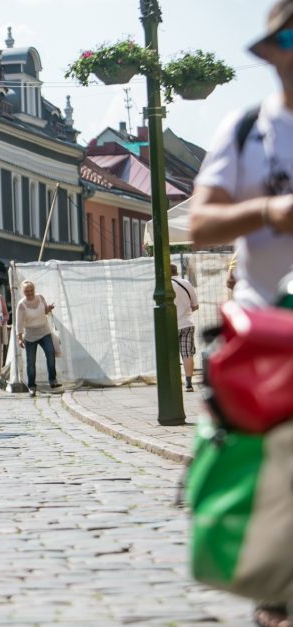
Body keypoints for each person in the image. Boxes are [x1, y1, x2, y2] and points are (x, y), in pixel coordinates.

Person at [189, 3, 293, 625]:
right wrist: (269, 213)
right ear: (272, 50)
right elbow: (200, 223)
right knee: (275, 484)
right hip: (270, 339)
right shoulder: (249, 129)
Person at [14, 280, 60, 397]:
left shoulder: (40, 298)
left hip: (44, 331)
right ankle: (32, 387)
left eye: (31, 290)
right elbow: (19, 323)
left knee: (50, 353)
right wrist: (20, 338)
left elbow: (44, 311)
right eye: (26, 291)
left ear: (34, 289)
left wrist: (48, 308)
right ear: (23, 292)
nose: (29, 293)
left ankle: (53, 381)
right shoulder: (21, 304)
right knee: (31, 362)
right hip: (30, 335)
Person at [170, 264, 200, 392]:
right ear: (176, 271)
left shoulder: (166, 285)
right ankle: (188, 383)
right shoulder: (186, 283)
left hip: (170, 325)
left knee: (171, 354)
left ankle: (173, 381)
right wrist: (185, 311)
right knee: (187, 353)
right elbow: (195, 305)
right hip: (187, 323)